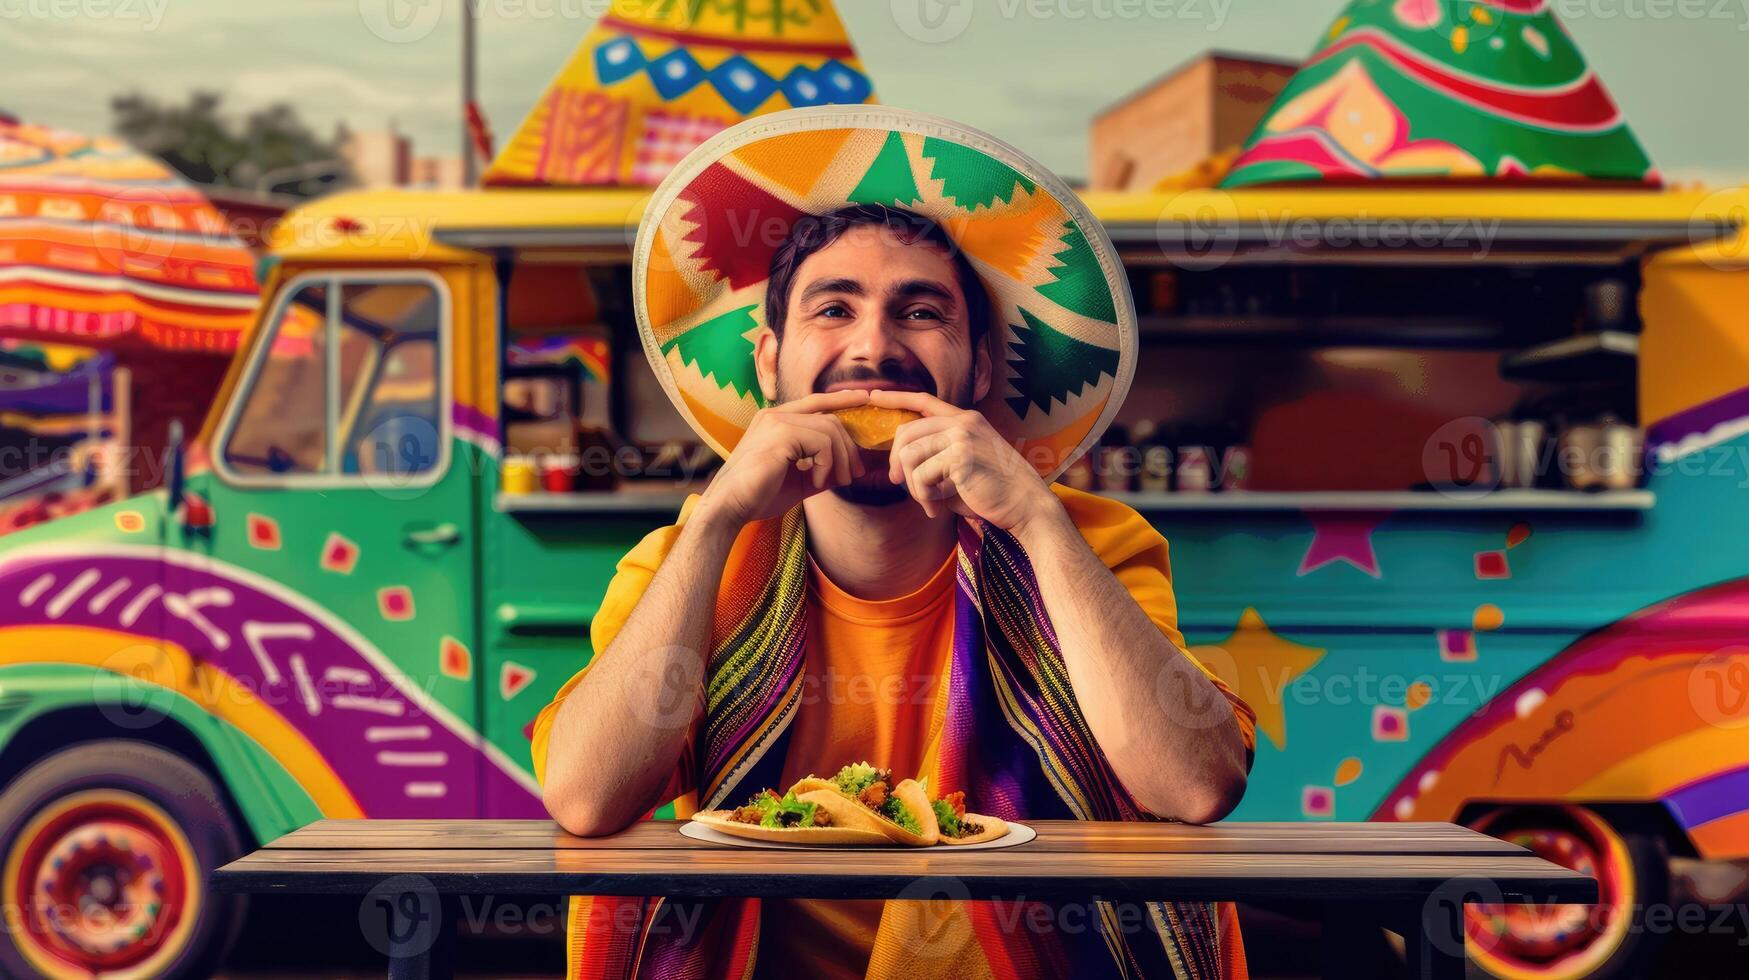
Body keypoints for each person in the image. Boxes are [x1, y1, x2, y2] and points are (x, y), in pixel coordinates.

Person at [532, 106, 1258, 980]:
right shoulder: (689, 559)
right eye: (832, 309)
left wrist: (1033, 520)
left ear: (980, 371)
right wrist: (719, 515)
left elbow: (1194, 785)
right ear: (768, 365)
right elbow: (584, 797)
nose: (873, 348)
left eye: (920, 313)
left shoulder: (1091, 541)